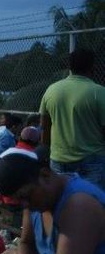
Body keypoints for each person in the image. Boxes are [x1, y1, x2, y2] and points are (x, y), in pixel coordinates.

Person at [40, 48, 105, 189]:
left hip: (58, 159)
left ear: (69, 67)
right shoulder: (99, 92)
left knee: (61, 202)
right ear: (93, 67)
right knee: (92, 202)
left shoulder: (52, 89)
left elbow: (45, 127)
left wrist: (46, 153)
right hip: (92, 160)